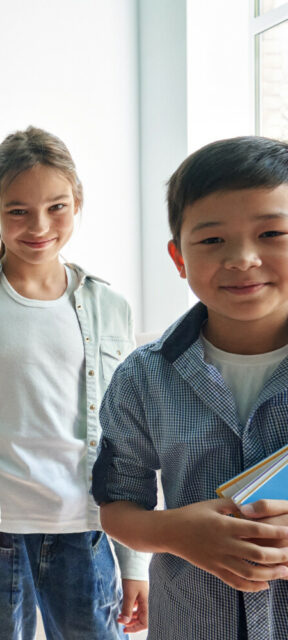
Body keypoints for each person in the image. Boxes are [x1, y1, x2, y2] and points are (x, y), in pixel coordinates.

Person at [0, 126, 150, 639]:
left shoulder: (108, 307)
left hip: (86, 529)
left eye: (57, 207)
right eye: (18, 210)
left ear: (78, 202)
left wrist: (135, 564)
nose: (39, 226)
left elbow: (129, 441)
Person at [93, 136, 288, 639]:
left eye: (272, 233)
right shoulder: (143, 378)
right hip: (194, 621)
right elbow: (117, 504)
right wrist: (177, 533)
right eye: (212, 240)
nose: (243, 258)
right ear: (179, 258)